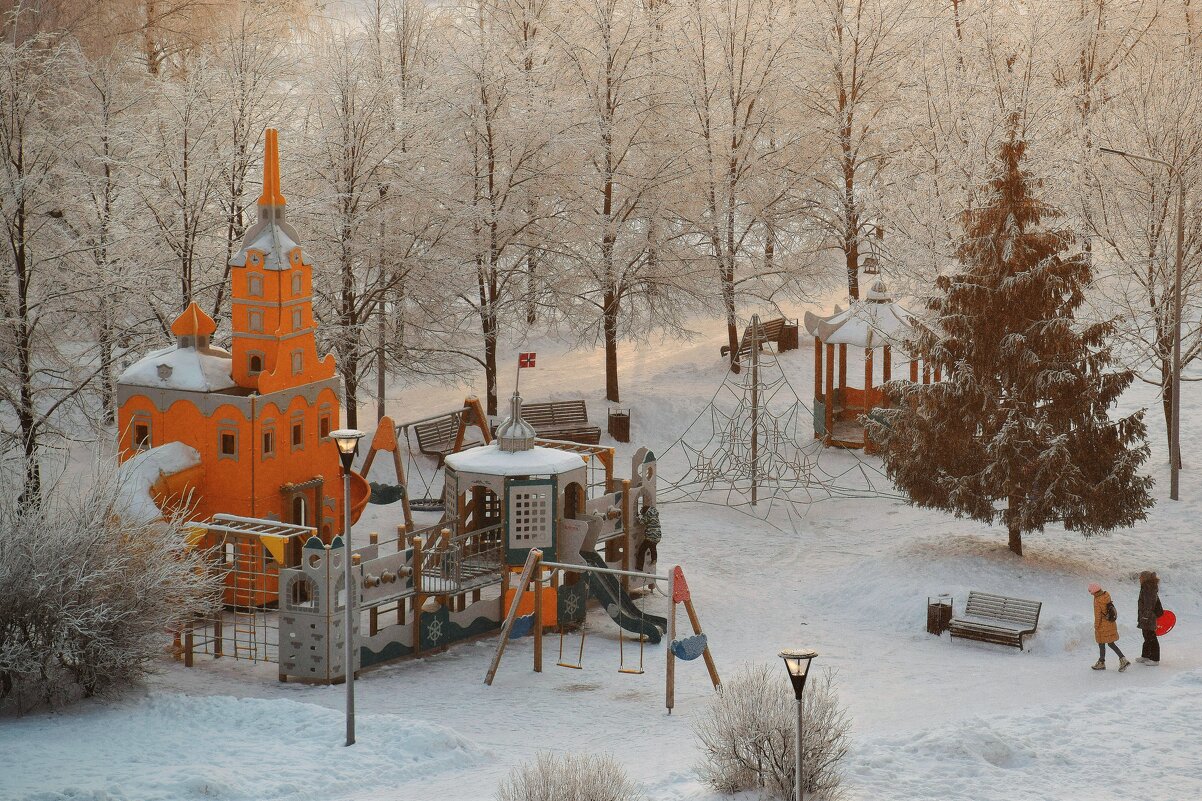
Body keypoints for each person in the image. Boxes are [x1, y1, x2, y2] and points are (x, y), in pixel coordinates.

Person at [1090, 582, 1130, 672]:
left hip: (1103, 625)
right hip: (1110, 622)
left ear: (1094, 591)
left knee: (1102, 643)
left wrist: (1096, 626)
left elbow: (1098, 615)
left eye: (1091, 591)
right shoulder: (1106, 595)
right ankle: (1121, 659)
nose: (1091, 593)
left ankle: (1102, 662)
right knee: (1110, 643)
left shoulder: (1097, 600)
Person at [1137, 570, 1163, 666]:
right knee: (1146, 635)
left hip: (1149, 616)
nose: (1139, 579)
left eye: (1141, 577)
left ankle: (1155, 659)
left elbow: (1149, 604)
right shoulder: (1146, 587)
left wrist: (1145, 616)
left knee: (1151, 636)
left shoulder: (1149, 588)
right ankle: (1146, 655)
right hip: (1146, 615)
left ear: (1145, 578)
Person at [635, 505, 661, 572]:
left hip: (651, 535)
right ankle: (654, 558)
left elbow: (641, 522)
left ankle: (639, 567)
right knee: (653, 547)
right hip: (658, 535)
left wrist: (637, 517)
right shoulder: (654, 514)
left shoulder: (647, 515)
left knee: (642, 550)